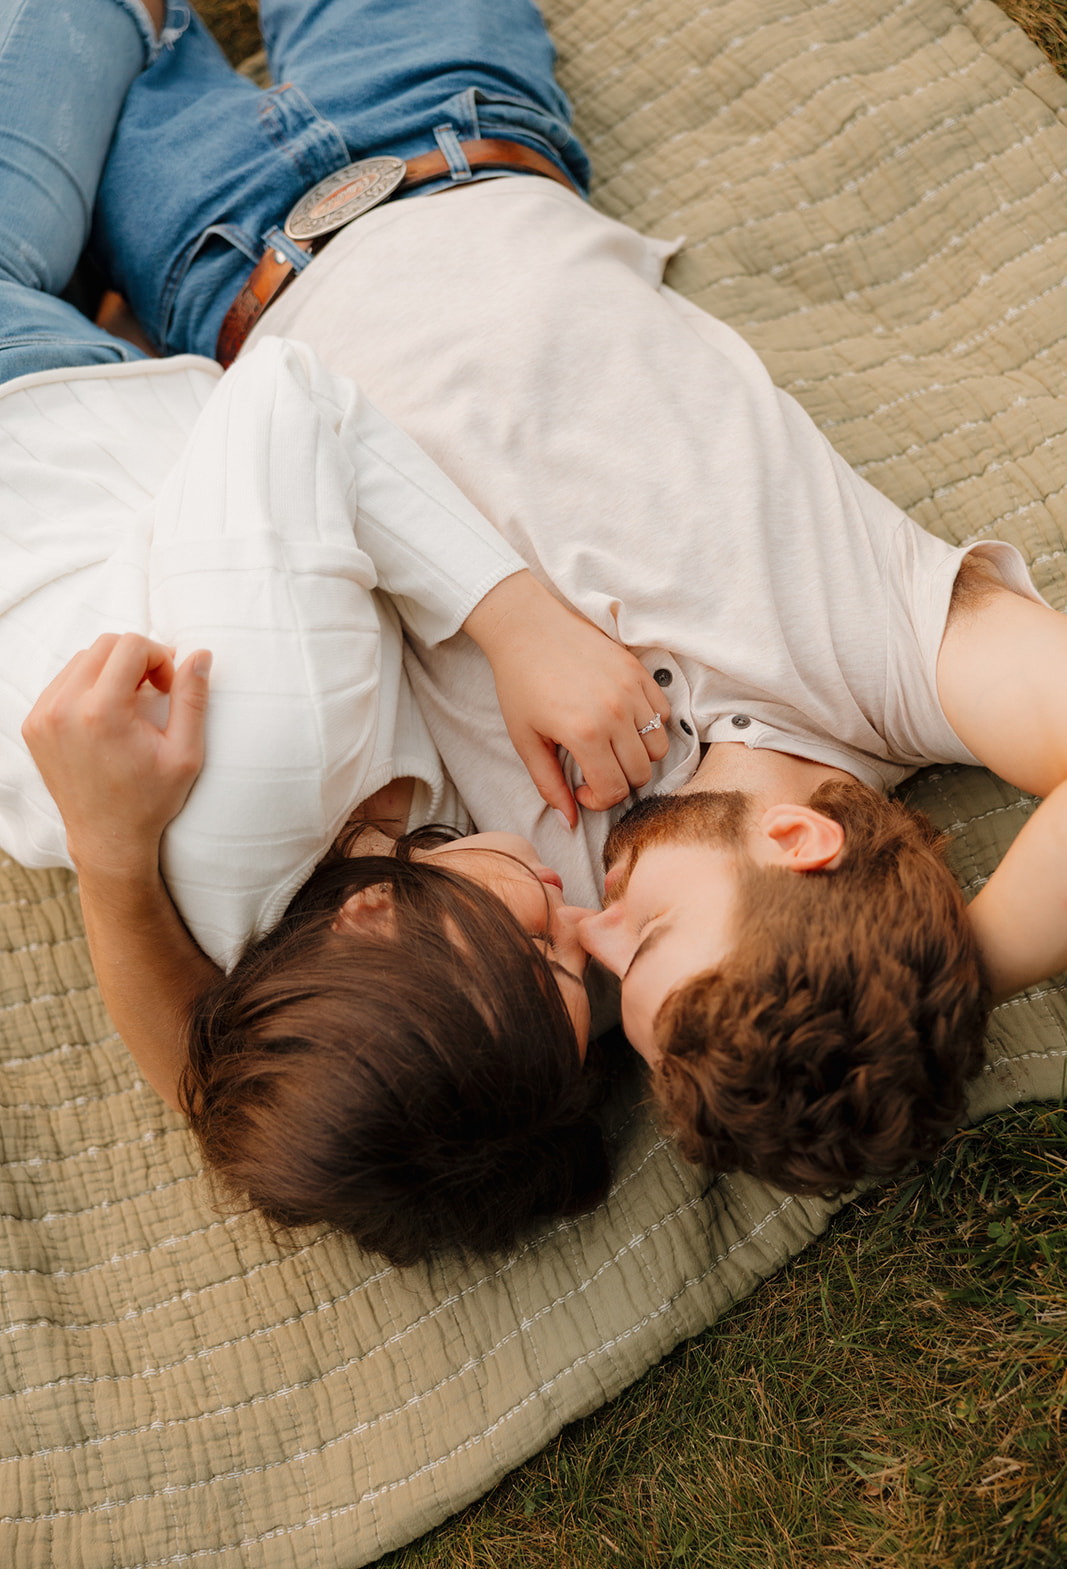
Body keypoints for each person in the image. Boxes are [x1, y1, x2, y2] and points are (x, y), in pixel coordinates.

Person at [20, 1, 1066, 1223]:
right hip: (450, 122)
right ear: (799, 844)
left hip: (215, 270)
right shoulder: (883, 662)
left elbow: (241, 1086)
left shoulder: (532, 909)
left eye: (611, 977)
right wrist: (942, 978)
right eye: (654, 933)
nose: (602, 932)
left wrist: (111, 858)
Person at [2, 0, 688, 1263]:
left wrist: (515, 614)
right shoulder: (290, 991)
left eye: (537, 941)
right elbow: (236, 1110)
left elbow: (287, 403)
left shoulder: (282, 752)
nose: (574, 916)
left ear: (377, 925)